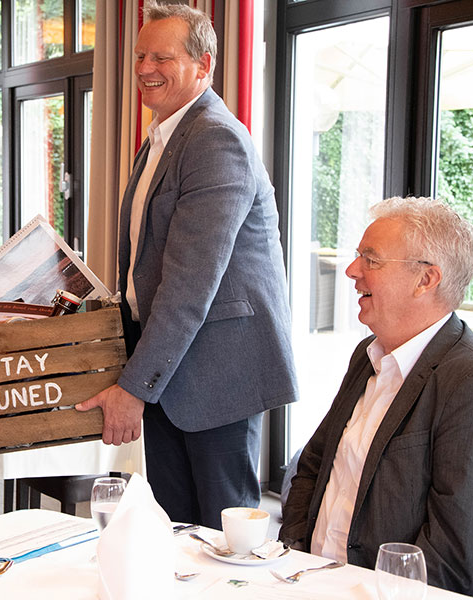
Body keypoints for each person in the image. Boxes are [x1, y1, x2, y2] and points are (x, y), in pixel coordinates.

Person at [77, 4, 296, 529]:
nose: (145, 67)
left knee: (226, 540)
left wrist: (133, 388)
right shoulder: (161, 136)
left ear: (204, 64)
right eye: (140, 55)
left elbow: (189, 285)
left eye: (162, 57)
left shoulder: (215, 138)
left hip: (219, 375)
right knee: (177, 534)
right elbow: (142, 270)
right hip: (172, 372)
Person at [280, 197, 473, 597]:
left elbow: (456, 557)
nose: (352, 271)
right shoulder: (368, 354)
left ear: (426, 280)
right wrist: (298, 557)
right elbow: (315, 464)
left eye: (371, 259)